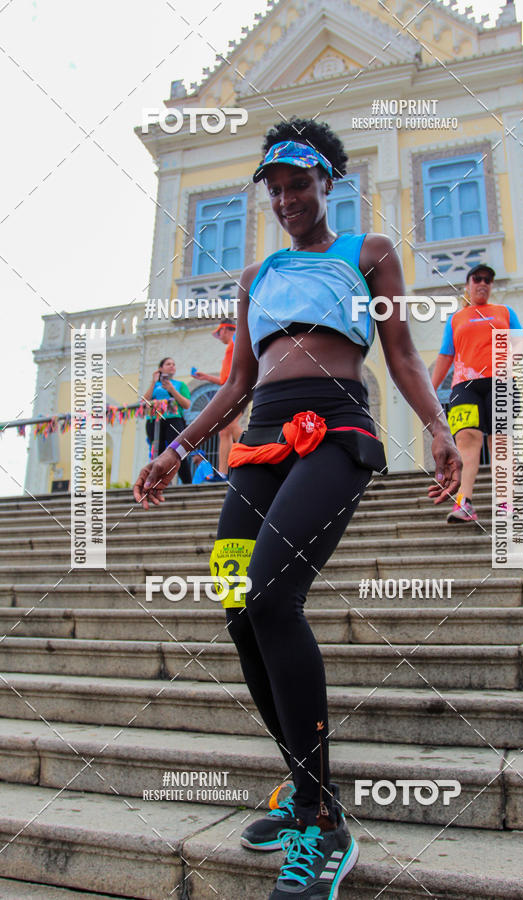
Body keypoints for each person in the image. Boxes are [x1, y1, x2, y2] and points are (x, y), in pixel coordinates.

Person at [134, 118, 461, 899]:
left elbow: (404, 355)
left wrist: (439, 428)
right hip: (259, 441)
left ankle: (320, 824)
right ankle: (306, 788)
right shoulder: (256, 276)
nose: (285, 199)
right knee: (236, 603)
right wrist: (178, 450)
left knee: (274, 598)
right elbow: (236, 383)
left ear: (326, 183)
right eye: (274, 189)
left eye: (298, 184)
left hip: (335, 425)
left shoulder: (368, 253)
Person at [430, 264, 523, 522]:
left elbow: (519, 344)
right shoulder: (456, 318)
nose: (483, 283)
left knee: (500, 442)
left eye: (488, 280)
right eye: (477, 278)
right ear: (468, 284)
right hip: (465, 385)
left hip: (501, 383)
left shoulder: (505, 312)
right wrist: (430, 389)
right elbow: (446, 355)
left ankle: (506, 504)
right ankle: (464, 503)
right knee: (466, 440)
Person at [192, 319, 242, 480]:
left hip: (235, 390)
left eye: (219, 333)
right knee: (225, 431)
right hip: (231, 389)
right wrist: (206, 377)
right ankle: (223, 473)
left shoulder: (237, 339)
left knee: (230, 427)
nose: (219, 337)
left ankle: (255, 454)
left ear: (225, 329)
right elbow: (223, 380)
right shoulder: (232, 345)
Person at [142, 357, 192, 484]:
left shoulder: (180, 385)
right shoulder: (155, 385)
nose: (172, 366)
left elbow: (186, 404)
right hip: (155, 421)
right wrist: (153, 382)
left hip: (174, 420)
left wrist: (172, 390)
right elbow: (144, 402)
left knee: (177, 450)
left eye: (173, 364)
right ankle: (158, 483)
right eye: (168, 364)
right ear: (160, 368)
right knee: (157, 452)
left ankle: (187, 482)